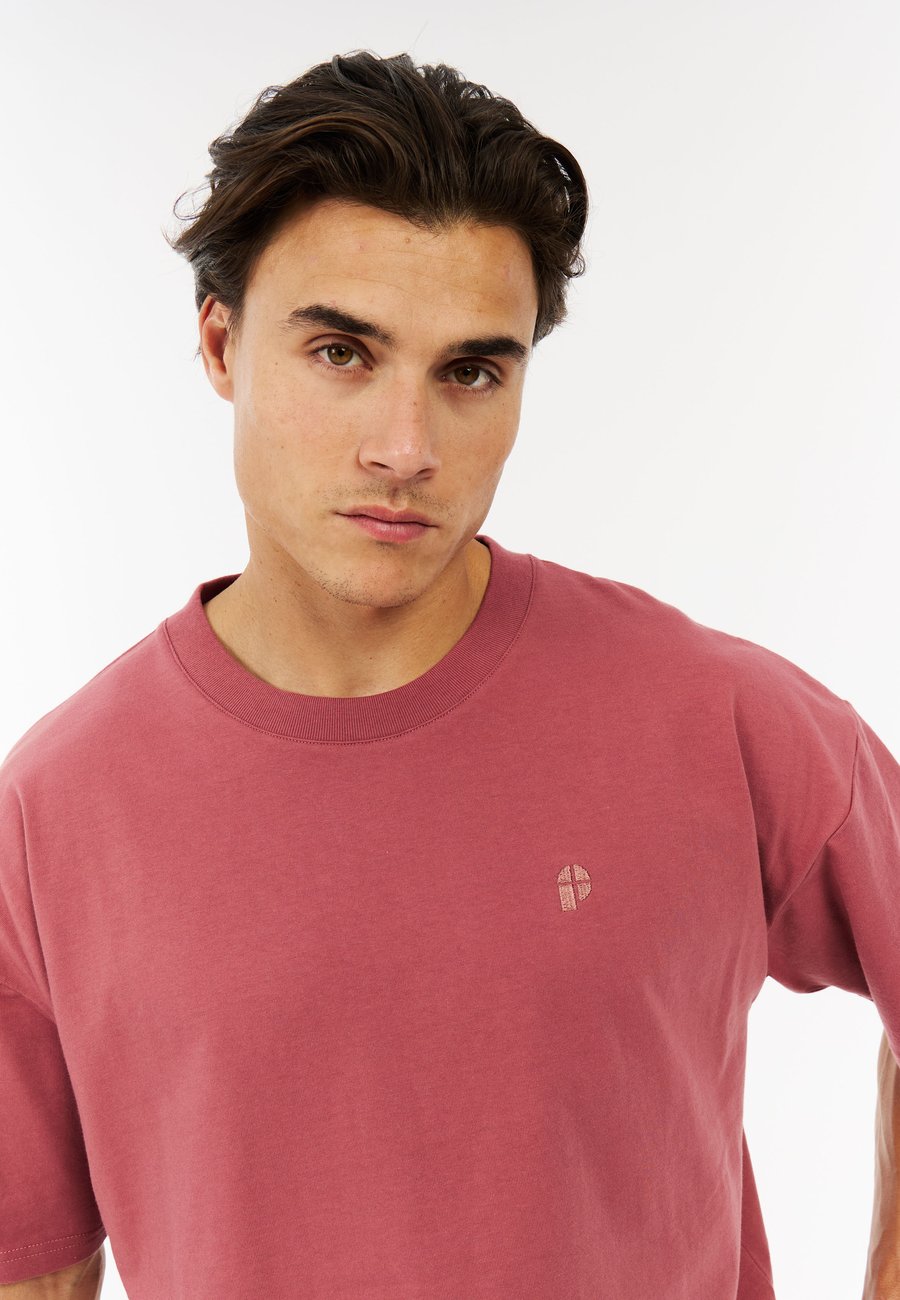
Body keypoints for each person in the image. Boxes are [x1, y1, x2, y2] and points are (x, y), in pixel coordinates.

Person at [0, 49, 897, 1300]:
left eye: (471, 371)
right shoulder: (55, 808)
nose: (407, 447)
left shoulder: (718, 717)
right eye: (341, 352)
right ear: (220, 341)